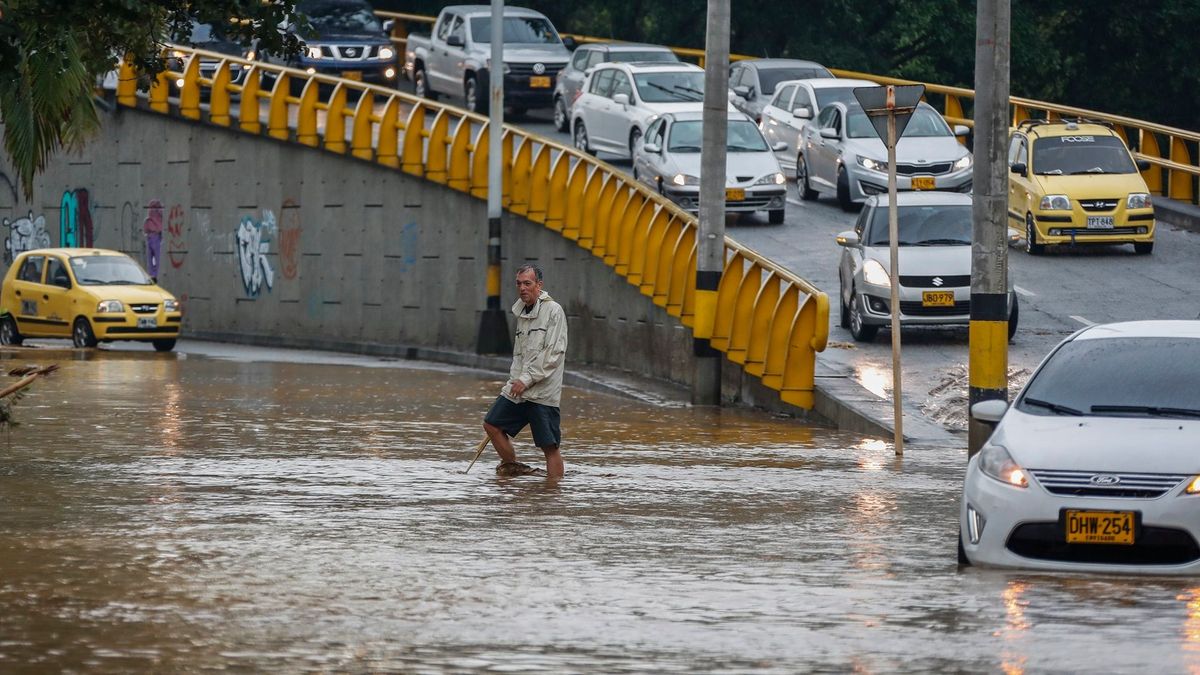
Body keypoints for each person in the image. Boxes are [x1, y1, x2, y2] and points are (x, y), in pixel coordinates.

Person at [483, 264, 568, 479]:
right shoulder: (521, 312)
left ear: (539, 285)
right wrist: (513, 382)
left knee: (549, 446)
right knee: (492, 424)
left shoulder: (554, 311)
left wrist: (528, 379)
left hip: (542, 393)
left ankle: (553, 491)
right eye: (519, 284)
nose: (522, 288)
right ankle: (513, 468)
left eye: (527, 283)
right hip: (519, 388)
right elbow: (520, 356)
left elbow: (553, 354)